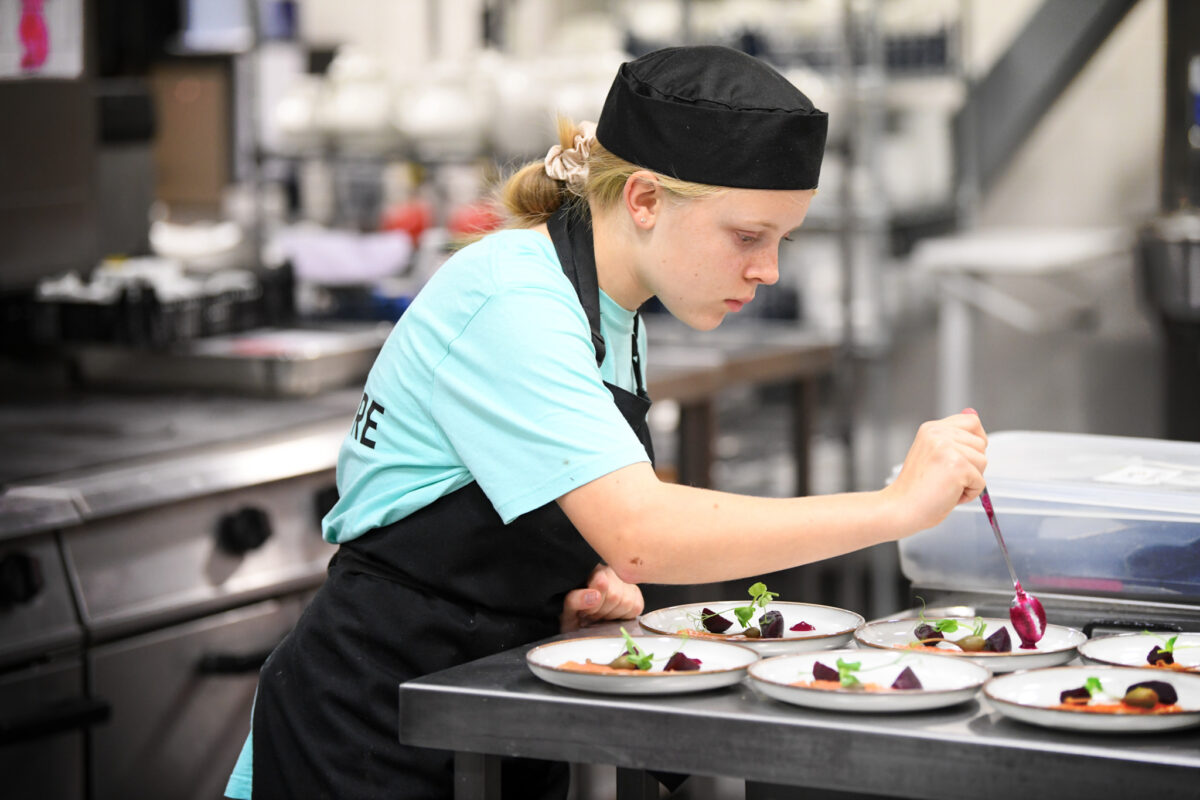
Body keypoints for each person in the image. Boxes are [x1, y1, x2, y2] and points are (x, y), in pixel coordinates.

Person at [225, 45, 988, 800]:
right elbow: (641, 533)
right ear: (646, 200)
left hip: (483, 713)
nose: (769, 270)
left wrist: (580, 577)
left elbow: (575, 517)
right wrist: (892, 510)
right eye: (748, 236)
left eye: (781, 241)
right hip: (368, 727)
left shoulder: (614, 315)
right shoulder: (513, 302)